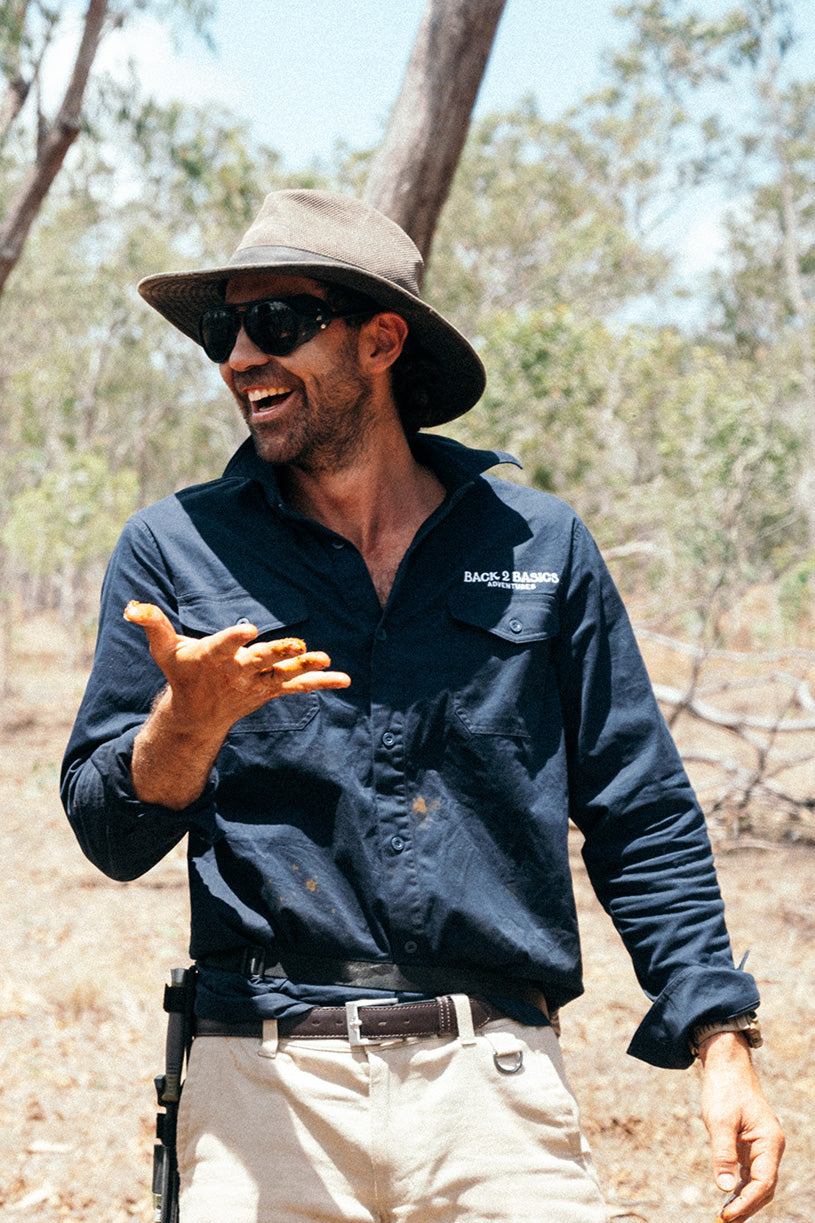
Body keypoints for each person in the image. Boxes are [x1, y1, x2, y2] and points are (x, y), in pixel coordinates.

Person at [61, 189, 784, 1223]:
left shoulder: (537, 548)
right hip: (261, 1088)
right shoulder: (176, 551)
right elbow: (108, 832)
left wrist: (719, 1036)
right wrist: (189, 720)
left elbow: (639, 808)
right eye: (224, 329)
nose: (236, 358)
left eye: (276, 323)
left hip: (493, 1086)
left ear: (380, 339)